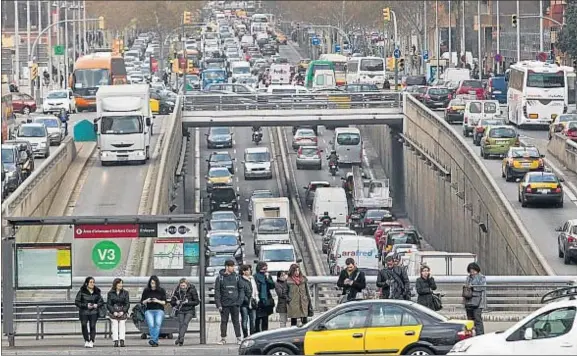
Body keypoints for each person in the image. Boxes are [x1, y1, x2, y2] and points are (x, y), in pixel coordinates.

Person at [214, 259, 243, 345]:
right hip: (224, 304)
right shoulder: (220, 278)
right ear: (227, 267)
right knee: (224, 321)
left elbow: (241, 289)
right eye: (231, 266)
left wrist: (239, 301)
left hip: (235, 303)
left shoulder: (237, 277)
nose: (233, 268)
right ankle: (223, 338)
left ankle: (238, 338)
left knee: (236, 321)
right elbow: (217, 291)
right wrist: (218, 304)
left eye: (233, 266)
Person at [74, 276, 104, 348]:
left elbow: (101, 302)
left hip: (94, 312)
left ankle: (92, 341)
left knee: (92, 326)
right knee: (84, 325)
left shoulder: (97, 291)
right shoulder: (81, 291)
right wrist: (86, 305)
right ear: (86, 283)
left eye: (93, 282)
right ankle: (86, 340)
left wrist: (96, 305)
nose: (92, 284)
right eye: (91, 282)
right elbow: (77, 302)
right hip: (84, 312)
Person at [170, 278, 200, 346]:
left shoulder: (192, 289)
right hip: (180, 309)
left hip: (189, 310)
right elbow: (172, 301)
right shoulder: (177, 290)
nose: (182, 287)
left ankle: (181, 338)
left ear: (187, 285)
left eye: (184, 286)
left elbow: (197, 301)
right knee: (181, 324)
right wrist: (176, 302)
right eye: (181, 286)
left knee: (185, 323)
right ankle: (180, 338)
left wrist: (188, 302)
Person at [140, 275, 167, 347]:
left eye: (154, 283)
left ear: (157, 283)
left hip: (159, 310)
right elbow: (142, 302)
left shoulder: (161, 290)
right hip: (149, 310)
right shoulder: (146, 290)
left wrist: (157, 301)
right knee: (151, 324)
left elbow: (164, 302)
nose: (153, 285)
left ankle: (153, 340)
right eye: (151, 283)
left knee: (157, 324)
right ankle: (154, 341)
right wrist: (147, 300)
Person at [464, 262, 486, 335]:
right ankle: (470, 334)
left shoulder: (481, 277)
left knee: (477, 318)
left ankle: (480, 334)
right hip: (469, 301)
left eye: (474, 271)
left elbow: (482, 287)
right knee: (470, 319)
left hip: (478, 302)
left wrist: (473, 287)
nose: (472, 272)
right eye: (471, 271)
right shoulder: (468, 278)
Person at [106, 278, 130, 347]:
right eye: (119, 283)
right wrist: (114, 312)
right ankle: (116, 341)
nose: (121, 285)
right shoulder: (110, 293)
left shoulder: (125, 293)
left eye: (121, 283)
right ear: (115, 284)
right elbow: (109, 304)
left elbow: (127, 304)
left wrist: (123, 311)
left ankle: (122, 340)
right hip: (114, 312)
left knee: (122, 323)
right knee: (115, 323)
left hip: (122, 312)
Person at [253, 261, 275, 333]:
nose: (265, 270)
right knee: (257, 319)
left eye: (266, 268)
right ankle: (257, 333)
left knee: (265, 319)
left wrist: (268, 278)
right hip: (259, 299)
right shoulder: (255, 276)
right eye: (264, 269)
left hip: (266, 300)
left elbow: (272, 286)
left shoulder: (267, 276)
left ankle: (265, 333)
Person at [238, 264, 257, 338]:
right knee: (244, 321)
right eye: (248, 270)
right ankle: (245, 336)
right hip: (244, 304)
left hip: (252, 302)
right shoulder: (241, 280)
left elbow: (255, 290)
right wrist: (247, 300)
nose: (250, 271)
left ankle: (252, 336)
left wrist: (255, 299)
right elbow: (241, 293)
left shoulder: (252, 279)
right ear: (244, 271)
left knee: (253, 321)